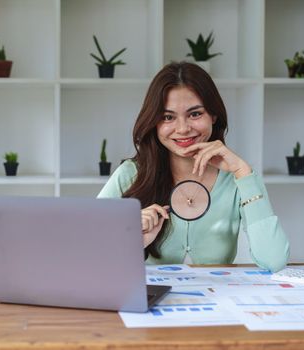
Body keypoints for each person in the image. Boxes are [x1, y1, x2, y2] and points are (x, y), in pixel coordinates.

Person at [97, 62, 289, 272]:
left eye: (195, 114)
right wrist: (133, 242)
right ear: (154, 122)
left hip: (219, 302)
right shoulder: (130, 175)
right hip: (148, 301)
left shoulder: (239, 178)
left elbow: (274, 261)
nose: (183, 129)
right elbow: (88, 252)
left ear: (213, 115)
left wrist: (243, 172)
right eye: (168, 117)